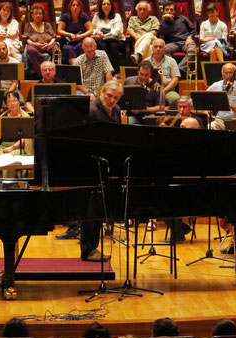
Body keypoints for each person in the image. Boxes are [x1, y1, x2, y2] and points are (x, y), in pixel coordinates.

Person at [77, 81, 123, 259]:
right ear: (101, 92)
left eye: (116, 97)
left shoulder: (117, 110)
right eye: (109, 95)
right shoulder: (91, 109)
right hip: (89, 165)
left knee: (97, 209)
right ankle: (88, 249)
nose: (112, 100)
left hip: (105, 164)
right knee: (90, 209)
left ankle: (92, 247)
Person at [158, 1, 196, 72]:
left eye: (171, 10)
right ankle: (174, 69)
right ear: (163, 11)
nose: (169, 11)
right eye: (167, 9)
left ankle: (178, 70)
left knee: (193, 50)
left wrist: (190, 37)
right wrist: (164, 21)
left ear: (175, 11)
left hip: (185, 42)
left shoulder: (183, 18)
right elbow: (161, 33)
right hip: (172, 43)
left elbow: (193, 30)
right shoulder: (162, 22)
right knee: (163, 50)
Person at [124, 60, 163, 124]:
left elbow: (161, 107)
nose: (143, 77)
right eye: (141, 74)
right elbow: (123, 100)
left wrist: (144, 110)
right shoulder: (129, 81)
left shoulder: (157, 86)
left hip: (149, 114)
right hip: (132, 114)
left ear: (151, 73)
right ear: (138, 71)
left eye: (146, 75)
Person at [24, 3, 58, 79]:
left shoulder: (47, 24)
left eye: (40, 13)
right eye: (36, 13)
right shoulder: (28, 25)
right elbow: (27, 39)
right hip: (35, 46)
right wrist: (35, 44)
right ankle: (41, 73)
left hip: (47, 45)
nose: (38, 15)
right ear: (32, 15)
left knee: (56, 49)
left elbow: (53, 37)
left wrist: (49, 44)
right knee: (30, 49)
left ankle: (55, 72)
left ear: (43, 15)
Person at [92, 0, 125, 72]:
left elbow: (118, 31)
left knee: (113, 46)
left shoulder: (117, 16)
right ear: (101, 6)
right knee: (102, 46)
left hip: (116, 40)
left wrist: (103, 35)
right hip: (101, 40)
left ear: (111, 6)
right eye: (104, 4)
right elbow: (93, 28)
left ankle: (116, 72)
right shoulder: (97, 16)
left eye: (108, 4)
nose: (106, 6)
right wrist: (98, 32)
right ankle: (103, 71)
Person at [146, 38, 180, 107]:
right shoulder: (145, 62)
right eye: (156, 47)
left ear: (164, 49)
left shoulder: (171, 61)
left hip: (167, 91)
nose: (158, 49)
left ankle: (172, 117)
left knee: (175, 99)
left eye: (160, 47)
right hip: (150, 91)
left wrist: (165, 90)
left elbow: (175, 78)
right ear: (152, 48)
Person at [207, 63, 236, 130]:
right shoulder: (215, 85)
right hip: (218, 120)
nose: (228, 76)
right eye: (225, 73)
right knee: (210, 127)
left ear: (235, 75)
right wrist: (205, 111)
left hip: (234, 121)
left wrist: (229, 106)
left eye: (231, 73)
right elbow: (204, 100)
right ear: (222, 73)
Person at [57, 0, 93, 64]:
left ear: (80, 7)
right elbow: (59, 30)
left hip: (81, 40)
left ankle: (81, 67)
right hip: (68, 42)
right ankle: (75, 68)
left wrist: (81, 36)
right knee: (68, 48)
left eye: (77, 5)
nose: (75, 7)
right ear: (70, 7)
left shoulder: (84, 16)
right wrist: (69, 34)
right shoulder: (65, 17)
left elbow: (90, 30)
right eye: (73, 5)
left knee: (81, 46)